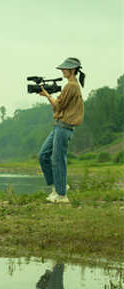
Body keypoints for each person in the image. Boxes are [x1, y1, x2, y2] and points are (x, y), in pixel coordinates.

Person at [38, 57, 85, 204]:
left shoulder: (71, 86)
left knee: (58, 160)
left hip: (64, 127)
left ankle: (62, 195)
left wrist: (47, 96)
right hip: (58, 125)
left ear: (72, 70)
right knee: (43, 155)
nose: (63, 71)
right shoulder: (70, 85)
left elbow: (58, 106)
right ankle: (59, 187)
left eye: (65, 69)